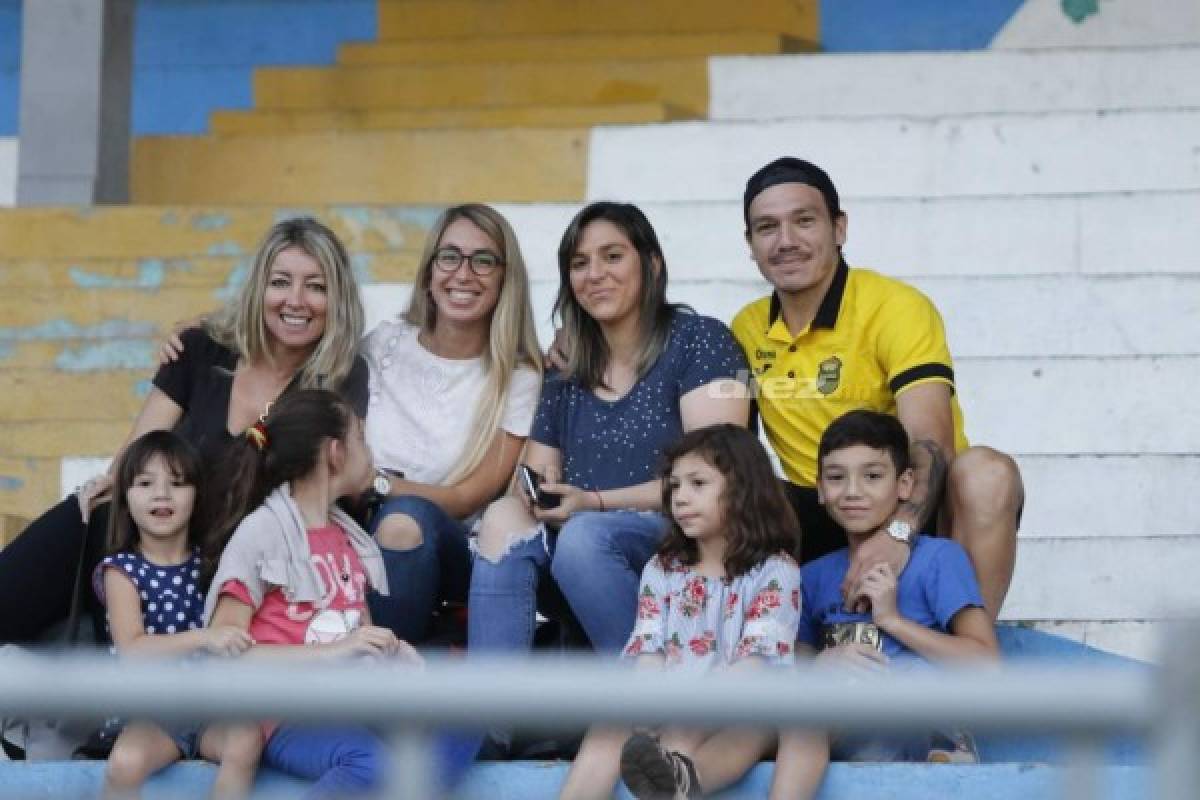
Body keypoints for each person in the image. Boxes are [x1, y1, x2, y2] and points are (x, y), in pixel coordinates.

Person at [0, 216, 368, 646]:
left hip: (238, 558)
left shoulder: (340, 377)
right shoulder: (201, 348)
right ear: (259, 289)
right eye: (280, 282)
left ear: (337, 298)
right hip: (154, 531)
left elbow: (334, 485)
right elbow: (135, 457)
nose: (296, 300)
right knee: (94, 515)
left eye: (316, 287)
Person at [729, 157, 1024, 619]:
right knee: (732, 487)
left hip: (915, 503)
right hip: (825, 509)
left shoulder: (895, 306)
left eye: (804, 221)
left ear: (839, 228)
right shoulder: (746, 329)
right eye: (767, 228)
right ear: (750, 244)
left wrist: (899, 532)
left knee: (987, 473)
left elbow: (930, 437)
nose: (786, 241)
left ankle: (969, 645)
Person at [468, 202, 751, 657]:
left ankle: (648, 689)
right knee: (504, 516)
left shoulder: (702, 340)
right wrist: (542, 493)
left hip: (681, 538)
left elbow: (718, 477)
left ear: (652, 264)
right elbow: (536, 475)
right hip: (577, 549)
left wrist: (594, 503)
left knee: (584, 538)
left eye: (613, 256)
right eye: (579, 263)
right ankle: (487, 701)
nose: (595, 274)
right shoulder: (567, 364)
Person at [203, 389, 476, 797]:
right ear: (335, 453)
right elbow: (227, 652)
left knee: (470, 713)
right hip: (284, 715)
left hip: (349, 702)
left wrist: (393, 655)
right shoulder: (262, 532)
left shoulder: (347, 535)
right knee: (371, 765)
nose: (370, 453)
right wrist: (335, 652)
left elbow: (360, 633)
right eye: (361, 439)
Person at [559, 424, 824, 800]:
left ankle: (676, 782)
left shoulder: (775, 570)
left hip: (741, 706)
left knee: (699, 730)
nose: (680, 498)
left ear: (743, 489)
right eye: (675, 486)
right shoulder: (662, 568)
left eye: (698, 484)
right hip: (673, 697)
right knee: (610, 724)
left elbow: (755, 666)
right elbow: (648, 649)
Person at [362, 203, 542, 644]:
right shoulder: (383, 345)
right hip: (359, 531)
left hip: (450, 550)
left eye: (483, 260)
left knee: (404, 520)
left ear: (505, 279)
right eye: (450, 257)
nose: (463, 274)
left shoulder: (518, 378)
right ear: (429, 271)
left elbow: (465, 498)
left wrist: (376, 484)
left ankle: (383, 669)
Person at [781, 409, 998, 768]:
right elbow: (793, 666)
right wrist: (821, 661)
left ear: (905, 484)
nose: (852, 491)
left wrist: (893, 621)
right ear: (820, 489)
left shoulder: (939, 558)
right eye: (836, 477)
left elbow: (986, 666)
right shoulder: (811, 576)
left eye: (872, 476)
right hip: (844, 728)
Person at [96, 430, 262, 799]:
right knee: (126, 761)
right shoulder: (121, 571)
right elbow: (132, 649)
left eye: (177, 483)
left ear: (197, 494)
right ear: (125, 496)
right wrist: (204, 638)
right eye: (145, 483)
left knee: (246, 739)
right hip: (152, 715)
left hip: (210, 709)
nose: (162, 494)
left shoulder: (214, 563)